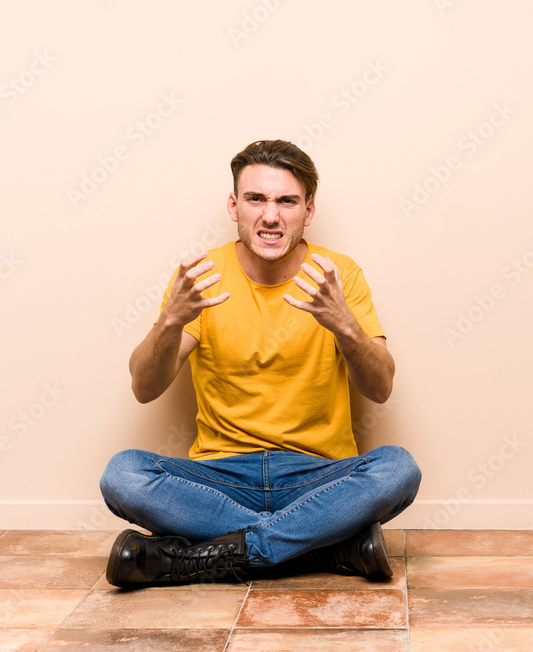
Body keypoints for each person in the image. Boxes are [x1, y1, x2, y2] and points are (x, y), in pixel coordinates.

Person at [99, 140, 421, 588]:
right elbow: (143, 387)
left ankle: (208, 556)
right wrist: (170, 321)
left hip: (316, 475)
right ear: (234, 205)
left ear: (308, 211)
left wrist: (344, 325)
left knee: (398, 469)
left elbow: (381, 387)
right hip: (219, 477)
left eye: (286, 201)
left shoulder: (338, 275)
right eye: (256, 199)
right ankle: (323, 547)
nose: (270, 216)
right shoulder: (203, 275)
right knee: (123, 475)